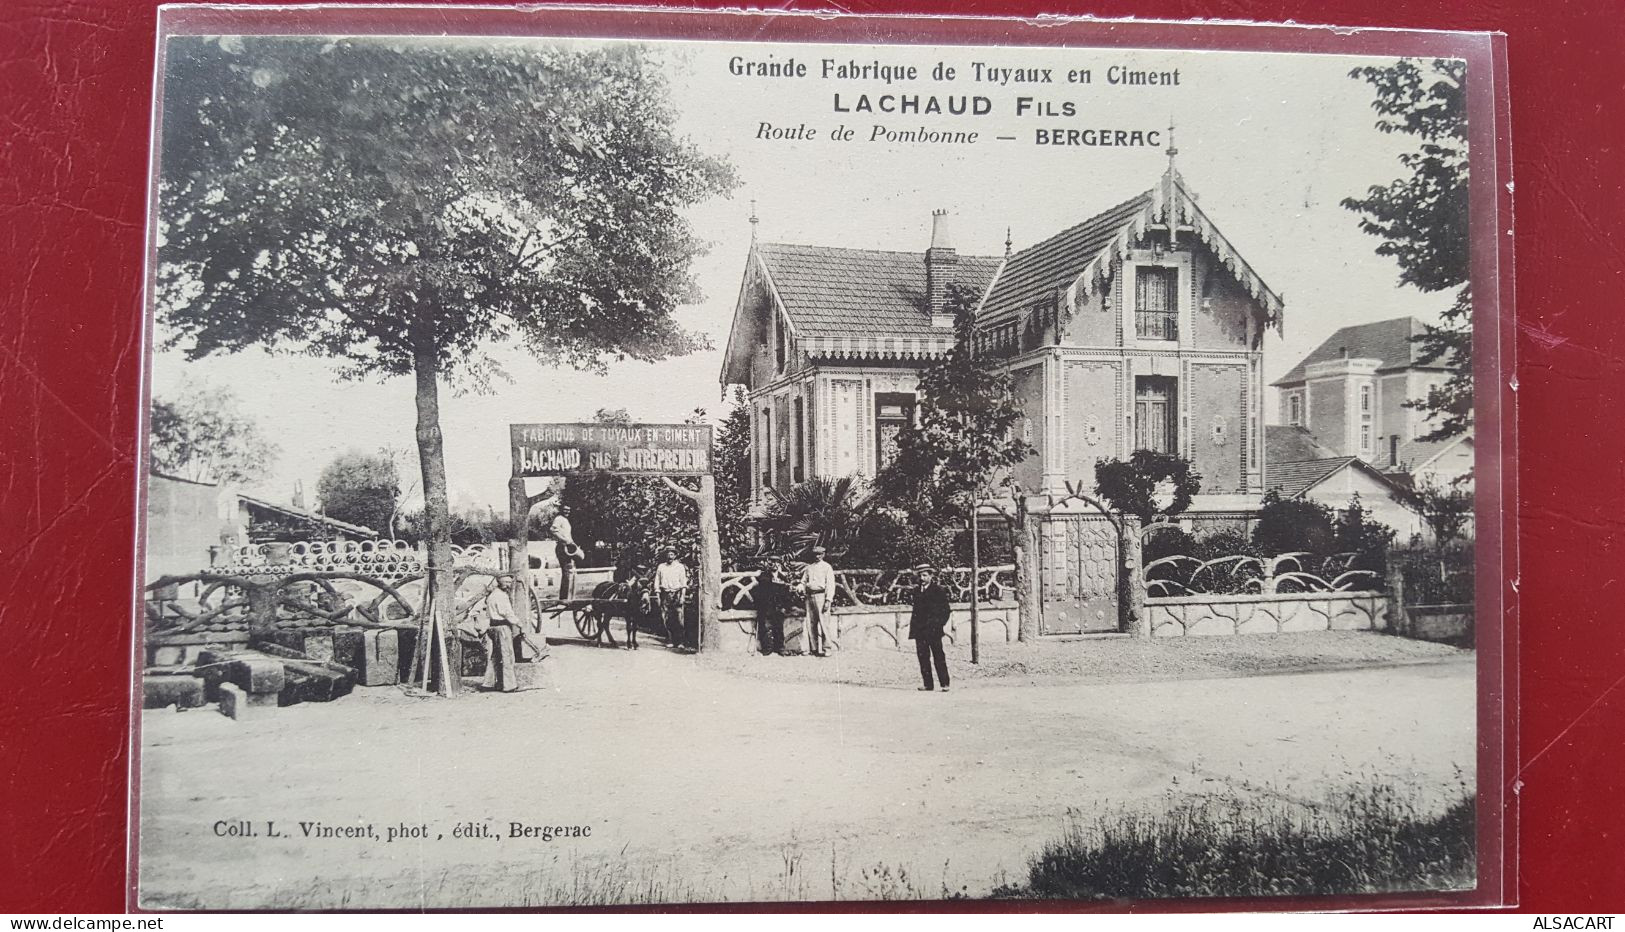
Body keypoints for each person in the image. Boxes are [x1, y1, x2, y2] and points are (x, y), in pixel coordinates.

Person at [482, 572, 546, 691]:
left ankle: (488, 683)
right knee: (507, 656)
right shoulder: (501, 596)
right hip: (502, 628)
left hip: (493, 627)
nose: (508, 585)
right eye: (506, 582)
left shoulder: (492, 595)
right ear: (499, 582)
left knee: (495, 656)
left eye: (510, 582)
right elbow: (507, 613)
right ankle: (509, 685)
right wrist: (519, 624)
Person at [908, 564, 952, 692]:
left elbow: (946, 611)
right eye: (920, 575)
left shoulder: (938, 590)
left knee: (938, 656)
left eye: (925, 575)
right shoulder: (916, 591)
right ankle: (928, 684)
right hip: (920, 631)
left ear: (931, 576)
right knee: (923, 657)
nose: (922, 578)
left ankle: (944, 683)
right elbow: (916, 612)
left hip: (933, 630)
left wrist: (938, 624)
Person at [801, 545, 836, 657]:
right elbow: (803, 581)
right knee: (811, 623)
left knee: (824, 623)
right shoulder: (809, 568)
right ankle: (814, 648)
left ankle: (827, 648)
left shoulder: (827, 567)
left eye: (820, 554)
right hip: (809, 596)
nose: (817, 556)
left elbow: (831, 584)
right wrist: (800, 587)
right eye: (815, 554)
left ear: (824, 554)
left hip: (821, 596)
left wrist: (828, 600)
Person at [653, 547, 690, 650]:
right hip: (665, 594)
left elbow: (683, 583)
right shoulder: (661, 567)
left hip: (677, 593)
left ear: (675, 556)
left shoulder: (680, 567)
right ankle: (669, 640)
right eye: (668, 554)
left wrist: (682, 596)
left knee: (679, 618)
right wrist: (657, 594)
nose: (670, 556)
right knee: (665, 617)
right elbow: (657, 581)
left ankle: (681, 641)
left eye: (672, 554)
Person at [753, 565, 790, 655]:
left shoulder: (783, 577)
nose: (774, 564)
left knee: (779, 627)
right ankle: (767, 648)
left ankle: (780, 647)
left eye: (777, 562)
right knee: (765, 627)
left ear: (779, 564)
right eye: (771, 561)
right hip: (766, 606)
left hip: (778, 606)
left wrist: (785, 607)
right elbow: (764, 586)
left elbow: (786, 594)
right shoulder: (764, 576)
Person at [550, 505, 581, 601]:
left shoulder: (565, 520)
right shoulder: (559, 519)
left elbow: (568, 536)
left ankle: (569, 596)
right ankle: (564, 598)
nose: (567, 512)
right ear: (561, 510)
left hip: (568, 547)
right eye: (565, 510)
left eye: (569, 510)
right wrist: (564, 540)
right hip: (562, 547)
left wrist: (573, 544)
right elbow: (553, 530)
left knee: (570, 571)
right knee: (567, 571)